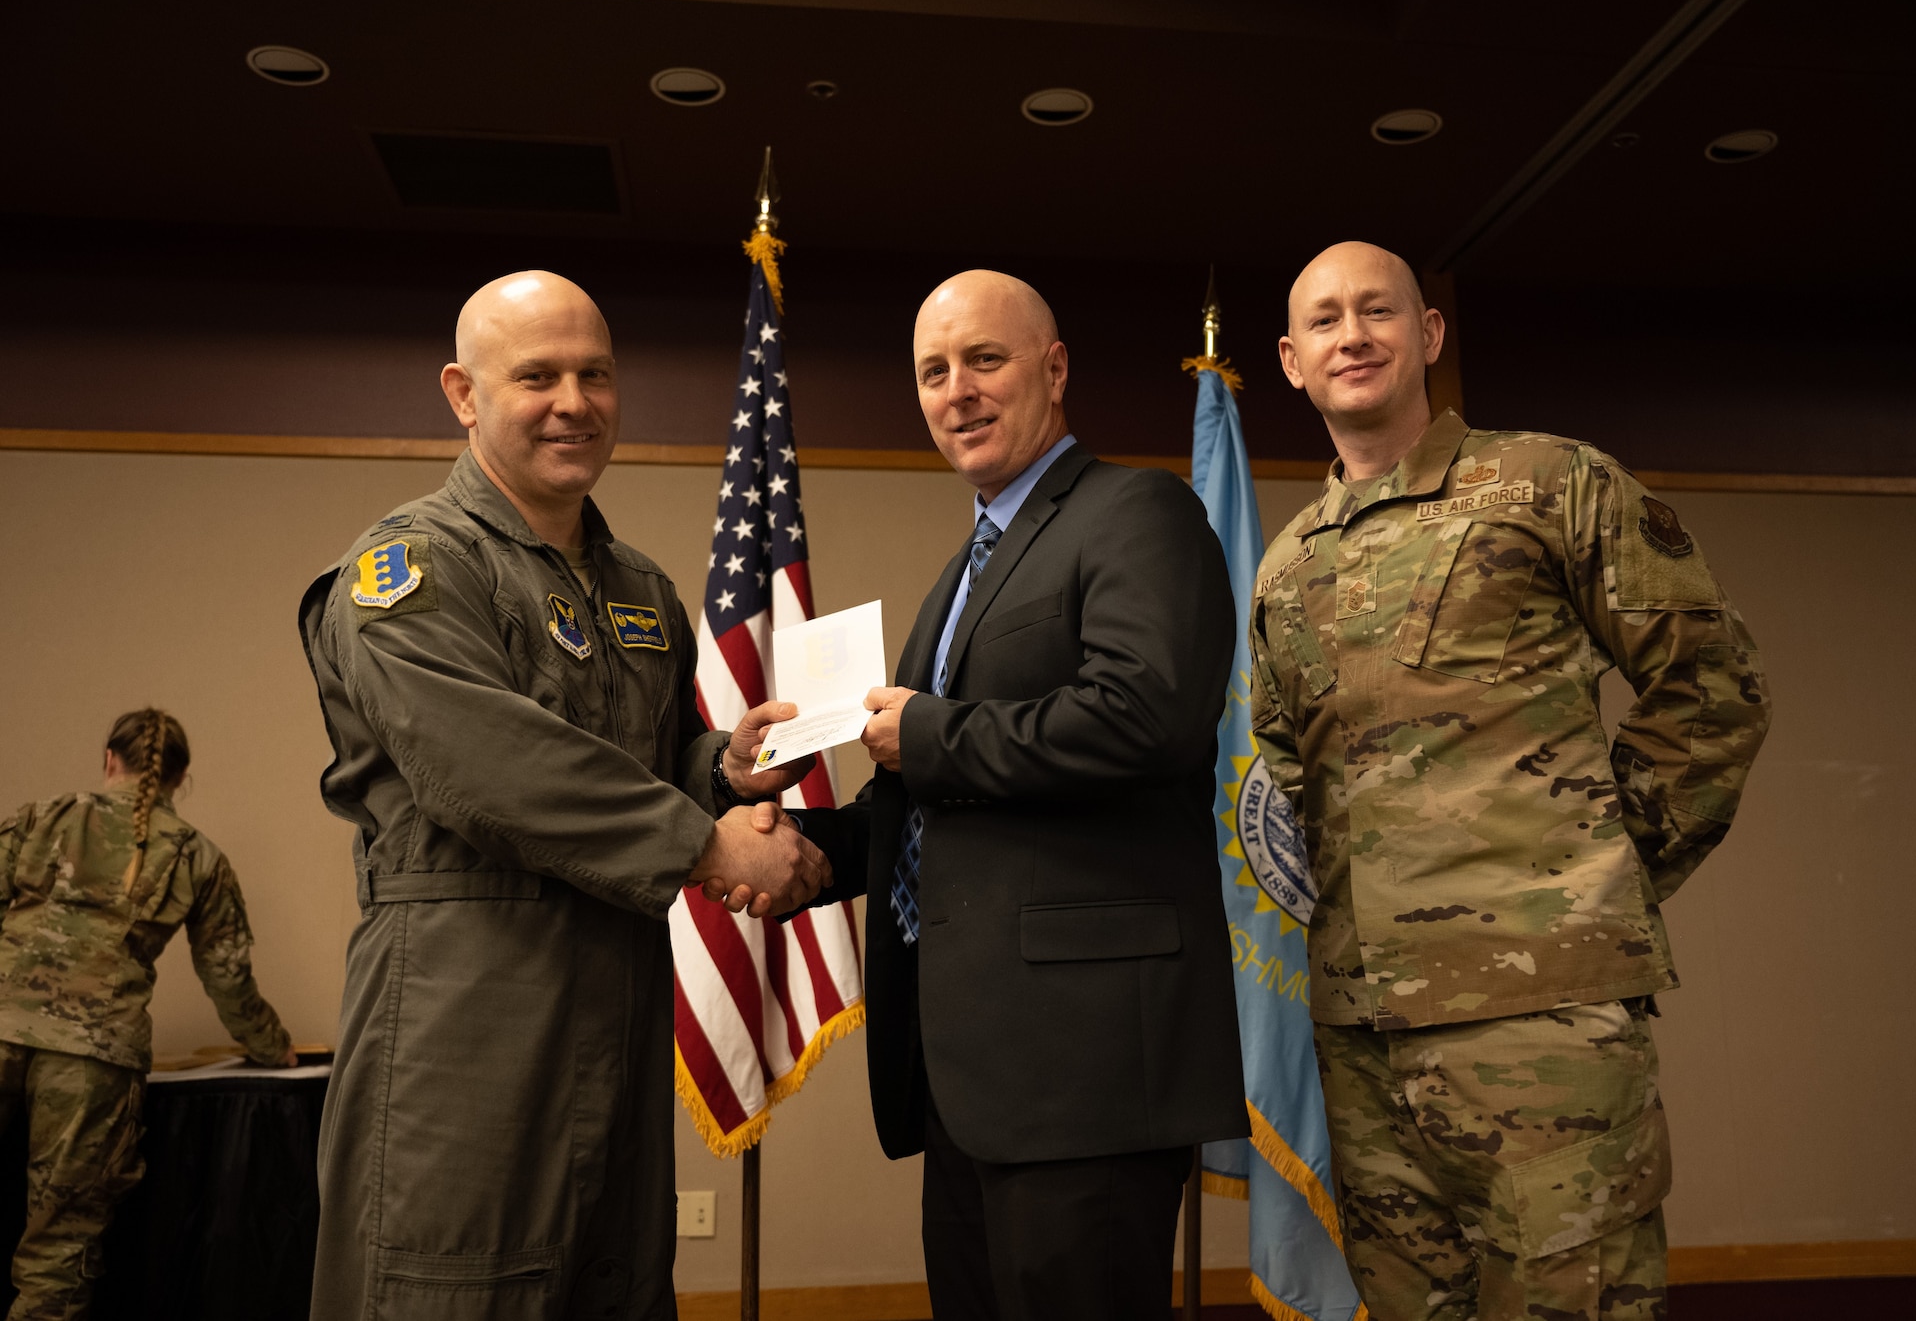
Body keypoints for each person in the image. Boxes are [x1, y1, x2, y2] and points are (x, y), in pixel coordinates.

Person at [1246, 242, 1772, 1320]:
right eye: (1326, 321)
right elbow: (1288, 773)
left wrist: (1600, 875)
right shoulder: (1287, 562)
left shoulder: (1546, 482)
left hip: (1541, 1019)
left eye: (1378, 311)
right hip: (1363, 1034)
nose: (1353, 336)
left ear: (1427, 335)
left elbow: (1710, 687)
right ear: (1292, 361)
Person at [714, 270, 1248, 1320]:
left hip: (1087, 1072)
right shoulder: (957, 576)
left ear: (1052, 370)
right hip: (964, 1069)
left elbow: (1147, 714)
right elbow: (924, 809)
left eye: (983, 360)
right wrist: (809, 854)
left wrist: (926, 729)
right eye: (932, 371)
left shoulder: (1138, 509)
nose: (955, 390)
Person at [298, 270, 829, 1321]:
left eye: (593, 374)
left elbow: (645, 757)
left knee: (613, 1282)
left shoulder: (639, 588)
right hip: (467, 1013)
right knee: (452, 1288)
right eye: (535, 376)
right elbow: (487, 769)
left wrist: (720, 769)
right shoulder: (408, 570)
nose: (571, 402)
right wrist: (713, 847)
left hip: (615, 1002)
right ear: (462, 392)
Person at [0, 708, 295, 1319]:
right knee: (58, 1254)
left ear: (109, 760)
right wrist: (274, 1049)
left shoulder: (39, 818)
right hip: (92, 1064)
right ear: (178, 778)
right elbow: (227, 977)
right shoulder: (196, 856)